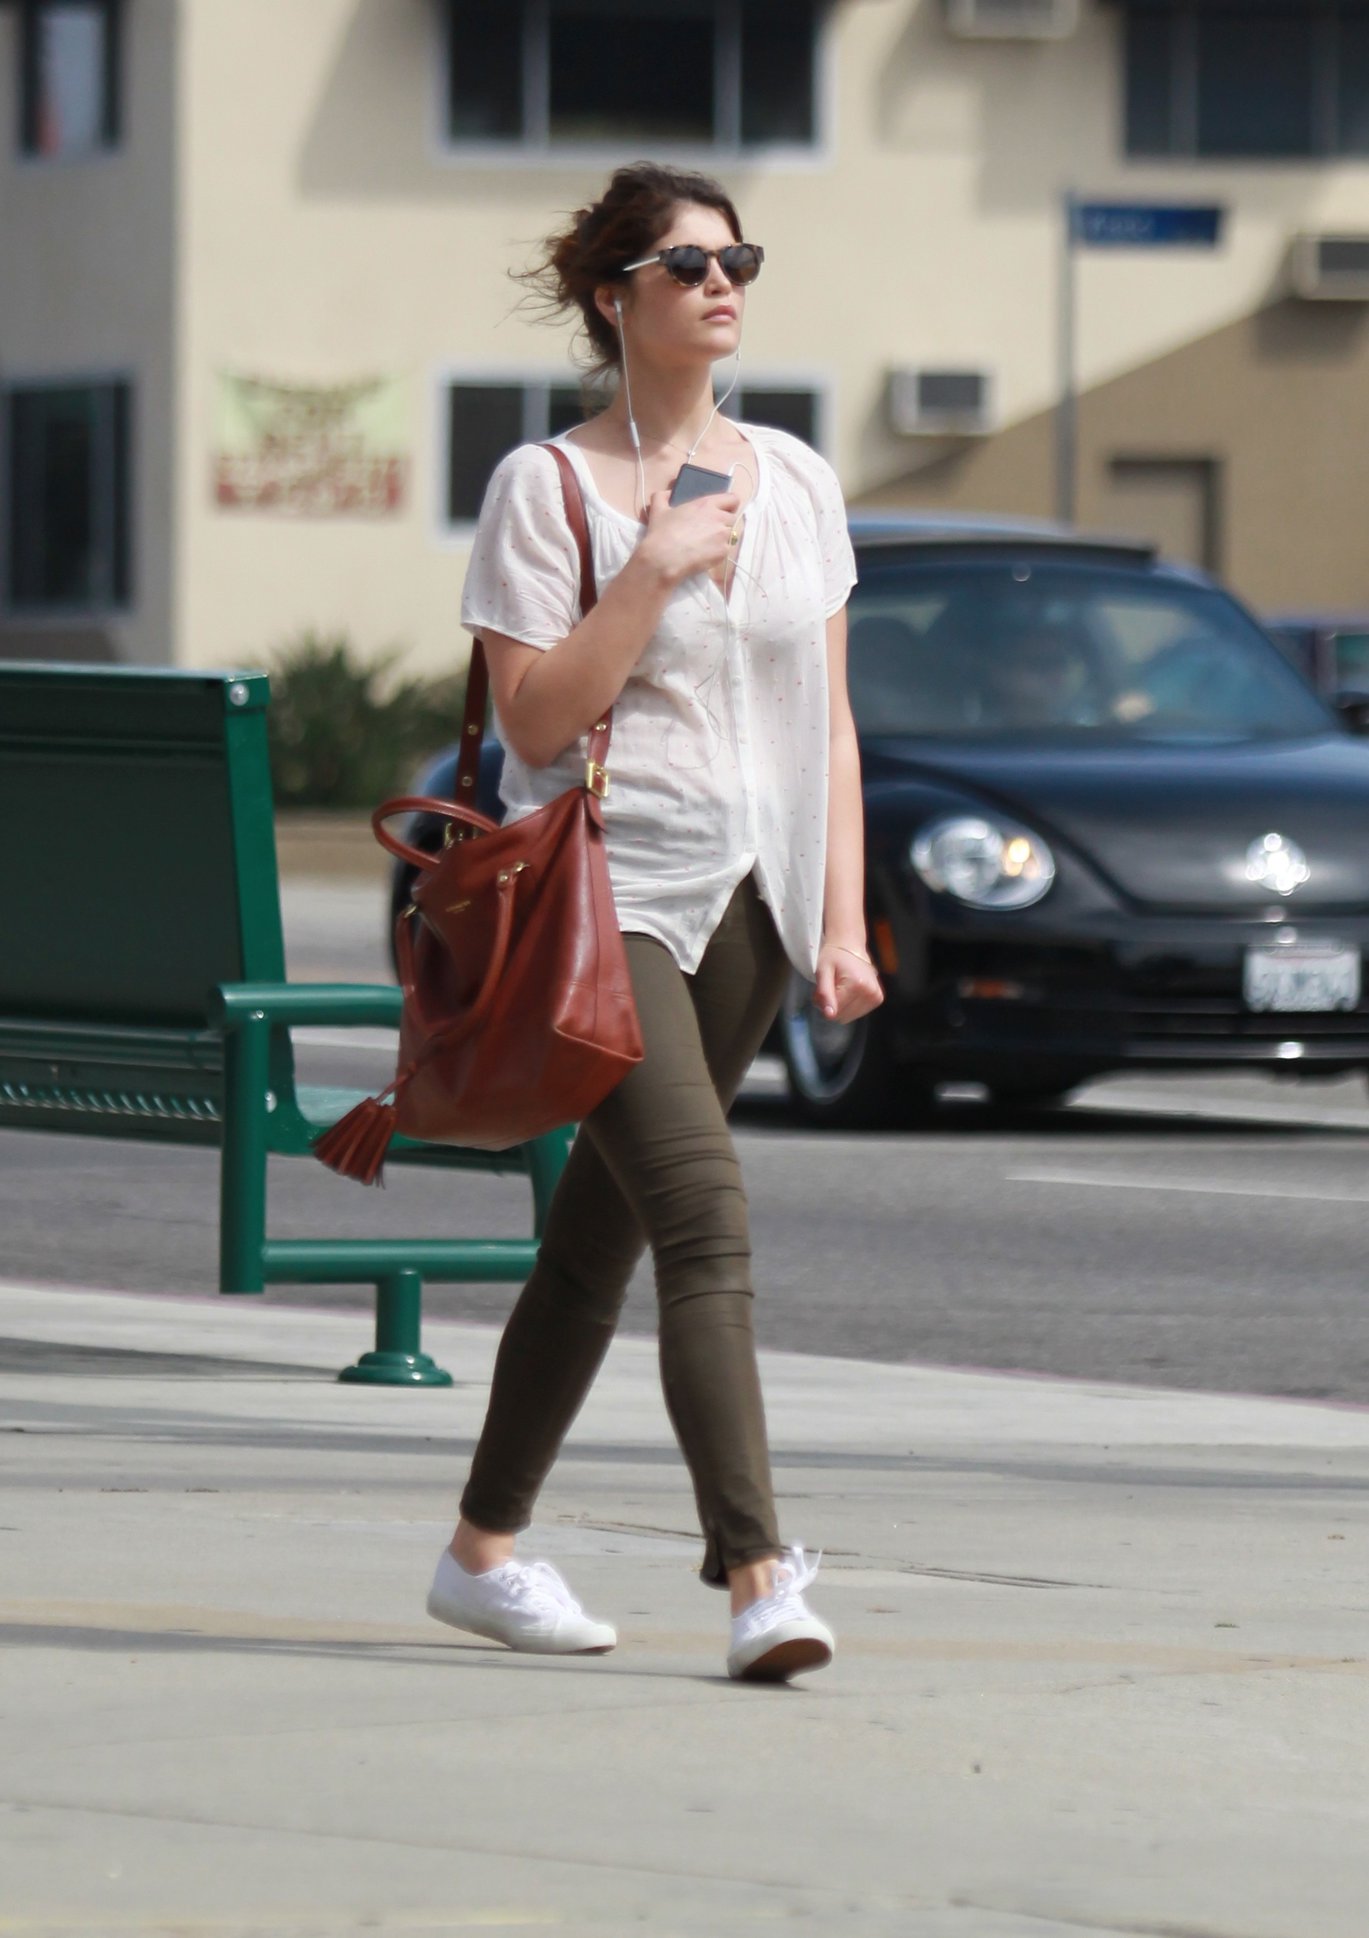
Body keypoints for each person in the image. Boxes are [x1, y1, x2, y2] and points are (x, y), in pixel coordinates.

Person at [425, 162, 882, 1683]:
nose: (723, 283)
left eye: (737, 257)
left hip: (752, 905)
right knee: (704, 1217)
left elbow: (825, 718)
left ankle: (481, 1552)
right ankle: (758, 1572)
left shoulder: (800, 481)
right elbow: (537, 717)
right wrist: (646, 572)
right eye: (687, 265)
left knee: (594, 1244)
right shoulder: (541, 488)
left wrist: (841, 916)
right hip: (604, 898)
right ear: (614, 298)